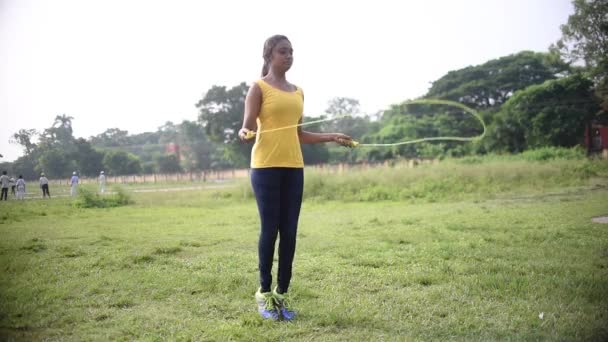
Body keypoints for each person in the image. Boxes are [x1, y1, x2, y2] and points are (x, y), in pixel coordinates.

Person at [238, 35, 353, 321]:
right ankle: (263, 294)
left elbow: (299, 133)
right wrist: (244, 133)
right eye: (282, 51)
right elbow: (247, 127)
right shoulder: (258, 87)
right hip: (265, 167)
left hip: (293, 167)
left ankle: (282, 294)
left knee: (289, 231)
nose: (288, 56)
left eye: (291, 52)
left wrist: (332, 136)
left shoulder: (298, 91)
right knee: (271, 228)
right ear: (269, 54)